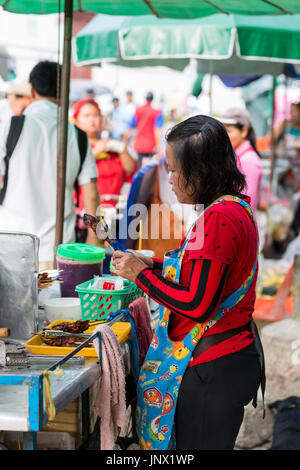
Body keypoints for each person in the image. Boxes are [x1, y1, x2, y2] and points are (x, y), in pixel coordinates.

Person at [111, 115, 263, 450]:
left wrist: (141, 274)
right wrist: (156, 262)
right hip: (225, 361)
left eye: (175, 170)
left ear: (202, 171)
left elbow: (197, 303)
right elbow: (206, 269)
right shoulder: (231, 208)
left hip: (214, 367)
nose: (171, 180)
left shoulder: (220, 219)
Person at [0, 61, 99, 270]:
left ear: (33, 90)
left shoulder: (11, 126)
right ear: (64, 90)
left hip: (12, 248)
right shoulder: (78, 136)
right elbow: (91, 195)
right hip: (59, 251)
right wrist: (94, 241)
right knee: (54, 302)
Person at [73, 97, 136, 208]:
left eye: (96, 115)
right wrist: (97, 151)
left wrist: (123, 150)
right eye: (87, 116)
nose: (92, 120)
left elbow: (130, 171)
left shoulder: (110, 147)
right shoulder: (73, 146)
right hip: (85, 216)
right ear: (76, 120)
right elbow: (72, 170)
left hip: (113, 214)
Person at [219, 108, 263, 216]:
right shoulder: (237, 156)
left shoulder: (248, 160)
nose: (224, 136)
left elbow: (246, 204)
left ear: (244, 131)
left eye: (229, 131)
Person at [129, 91, 164, 168]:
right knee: (149, 170)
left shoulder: (138, 110)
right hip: (151, 146)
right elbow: (157, 130)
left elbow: (132, 125)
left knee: (139, 167)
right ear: (152, 99)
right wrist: (158, 145)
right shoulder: (157, 112)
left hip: (139, 144)